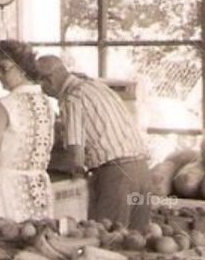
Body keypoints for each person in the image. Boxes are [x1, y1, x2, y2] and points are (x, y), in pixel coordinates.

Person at [36, 55, 151, 231]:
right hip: (141, 171)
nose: (44, 92)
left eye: (41, 85)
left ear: (48, 81)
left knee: (106, 239)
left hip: (115, 176)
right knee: (137, 241)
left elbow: (76, 155)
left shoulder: (72, 99)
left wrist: (64, 169)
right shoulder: (96, 86)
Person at [0, 41, 55, 222]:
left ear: (22, 67)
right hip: (39, 188)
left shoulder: (5, 105)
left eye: (3, 68)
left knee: (7, 238)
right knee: (38, 240)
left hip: (8, 188)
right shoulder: (47, 103)